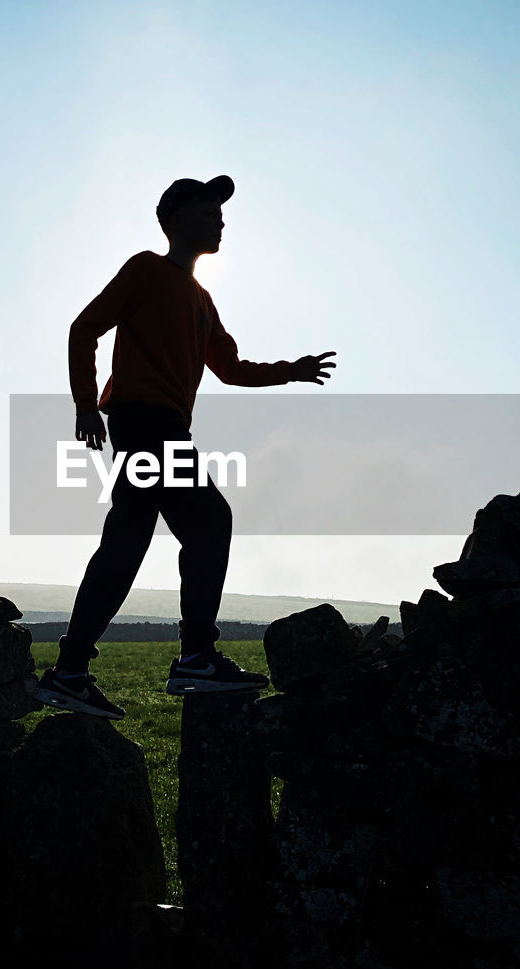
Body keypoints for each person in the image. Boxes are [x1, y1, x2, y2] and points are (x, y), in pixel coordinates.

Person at [35, 174, 336, 719]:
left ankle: (70, 671)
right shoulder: (146, 269)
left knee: (126, 542)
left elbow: (231, 368)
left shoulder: (202, 300)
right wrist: (84, 405)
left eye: (221, 213)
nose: (220, 220)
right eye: (207, 211)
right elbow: (84, 329)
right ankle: (195, 655)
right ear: (175, 221)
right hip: (143, 422)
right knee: (209, 519)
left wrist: (291, 370)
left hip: (161, 426)